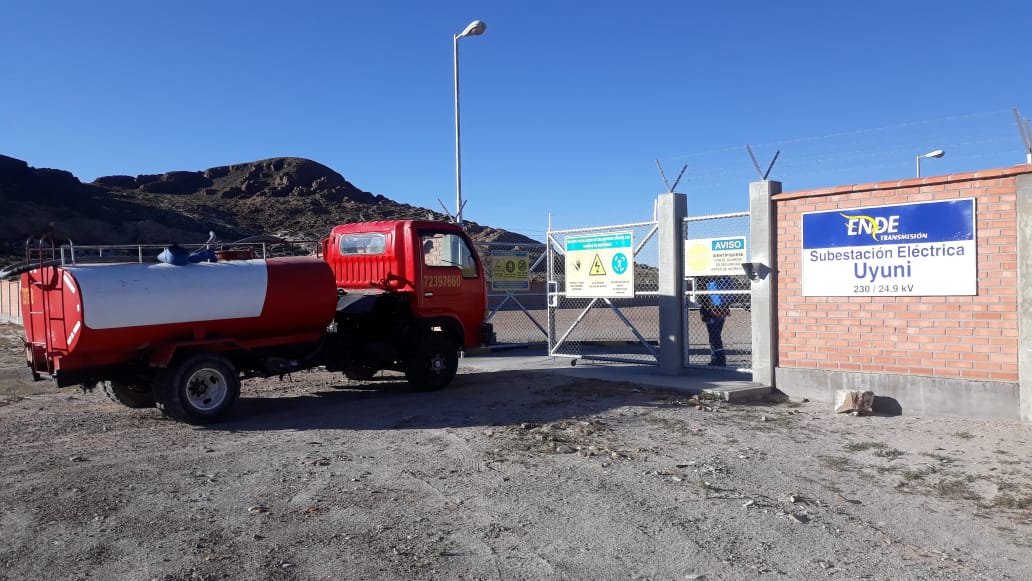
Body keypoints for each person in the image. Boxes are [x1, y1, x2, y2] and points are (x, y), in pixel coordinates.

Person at [698, 276, 733, 366]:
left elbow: (701, 299)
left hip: (711, 312)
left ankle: (720, 359)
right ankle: (716, 359)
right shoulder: (722, 281)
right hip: (722, 310)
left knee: (714, 337)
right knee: (715, 336)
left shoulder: (704, 283)